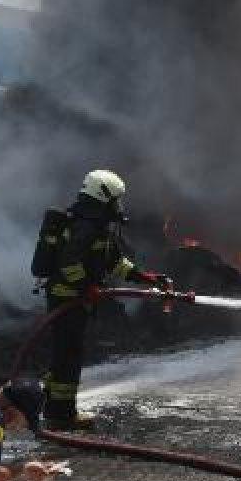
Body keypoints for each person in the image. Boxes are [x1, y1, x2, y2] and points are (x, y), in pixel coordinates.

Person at [43, 169, 166, 429]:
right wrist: (86, 287)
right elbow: (68, 264)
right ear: (102, 197)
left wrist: (146, 277)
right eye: (115, 200)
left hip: (76, 300)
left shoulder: (98, 228)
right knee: (67, 357)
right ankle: (60, 417)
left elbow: (114, 263)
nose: (118, 206)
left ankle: (52, 406)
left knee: (66, 355)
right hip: (66, 300)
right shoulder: (84, 227)